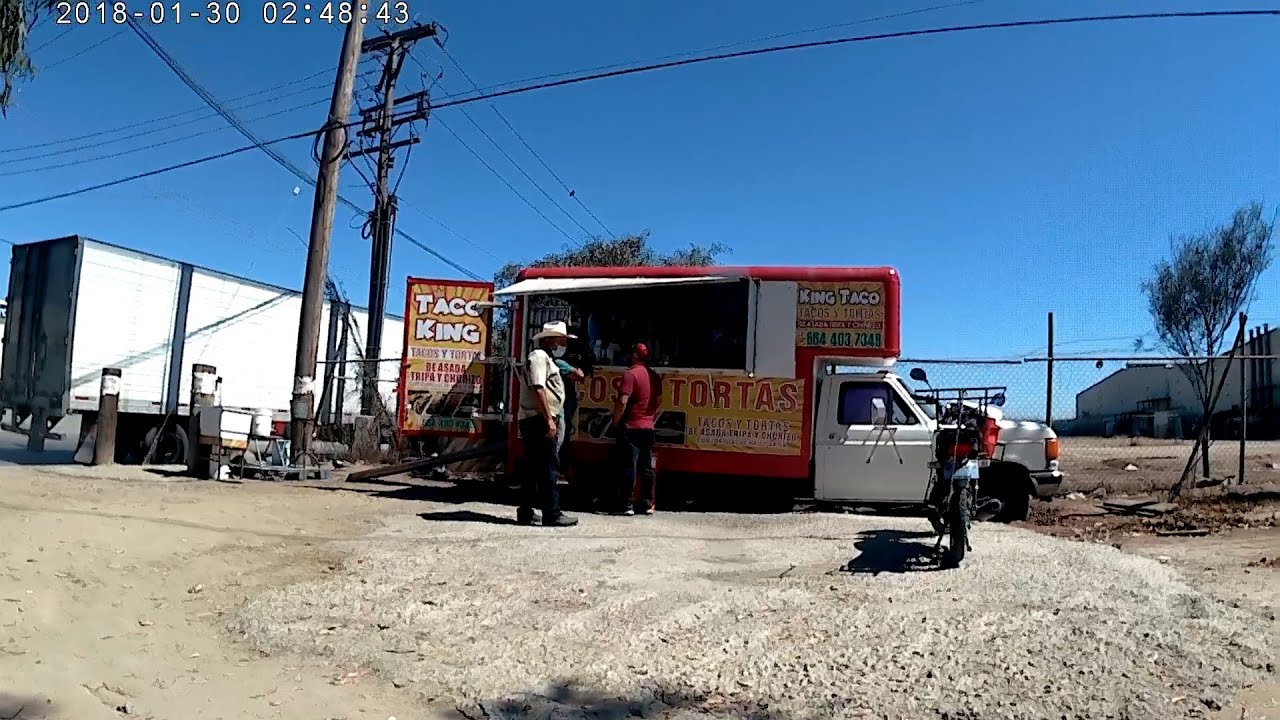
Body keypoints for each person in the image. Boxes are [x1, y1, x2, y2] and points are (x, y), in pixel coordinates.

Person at [516, 320, 578, 527]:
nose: (562, 342)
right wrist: (549, 419)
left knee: (533, 468)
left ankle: (526, 511)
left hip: (536, 418)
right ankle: (552, 513)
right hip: (539, 419)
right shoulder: (539, 357)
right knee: (548, 467)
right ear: (551, 339)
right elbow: (538, 387)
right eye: (561, 338)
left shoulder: (544, 358)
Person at [611, 342, 661, 516]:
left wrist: (615, 421)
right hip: (648, 426)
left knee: (629, 466)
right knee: (646, 468)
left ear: (634, 355)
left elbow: (622, 401)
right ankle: (646, 503)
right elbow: (659, 402)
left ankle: (627, 504)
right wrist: (650, 417)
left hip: (631, 426)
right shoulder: (654, 376)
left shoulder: (630, 375)